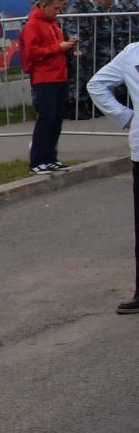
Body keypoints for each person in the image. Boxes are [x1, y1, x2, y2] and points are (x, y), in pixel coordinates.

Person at [85, 40, 139, 314]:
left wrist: (123, 116)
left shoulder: (132, 52)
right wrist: (124, 116)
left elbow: (96, 85)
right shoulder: (131, 53)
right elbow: (96, 84)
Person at [23, 0, 81, 173]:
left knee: (56, 120)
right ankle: (37, 160)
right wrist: (59, 47)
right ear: (44, 5)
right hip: (44, 78)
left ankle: (50, 158)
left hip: (59, 76)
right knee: (46, 119)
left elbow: (55, 47)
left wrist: (68, 45)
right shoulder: (32, 25)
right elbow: (32, 53)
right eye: (55, 8)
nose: (58, 12)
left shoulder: (53, 23)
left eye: (60, 8)